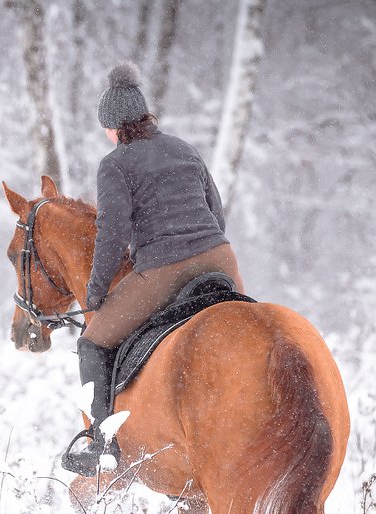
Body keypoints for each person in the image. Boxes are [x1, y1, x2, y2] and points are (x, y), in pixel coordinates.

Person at [63, 62, 246, 477]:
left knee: (93, 341)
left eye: (105, 129)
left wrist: (95, 293)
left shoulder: (115, 164)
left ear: (114, 126)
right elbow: (216, 211)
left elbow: (110, 234)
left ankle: (99, 445)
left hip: (163, 272)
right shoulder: (184, 148)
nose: (106, 136)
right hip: (221, 259)